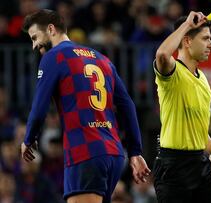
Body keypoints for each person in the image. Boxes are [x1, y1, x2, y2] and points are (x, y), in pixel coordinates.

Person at [20, 9, 150, 203]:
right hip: (113, 154)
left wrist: (28, 138)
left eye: (34, 37)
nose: (34, 45)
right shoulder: (102, 59)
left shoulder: (54, 57)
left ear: (51, 29)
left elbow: (39, 108)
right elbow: (128, 106)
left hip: (85, 151)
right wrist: (135, 151)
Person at [153, 11, 211, 203]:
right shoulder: (173, 73)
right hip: (173, 169)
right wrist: (187, 25)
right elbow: (162, 54)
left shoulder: (204, 80)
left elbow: (197, 130)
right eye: (206, 39)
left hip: (200, 164)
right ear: (187, 41)